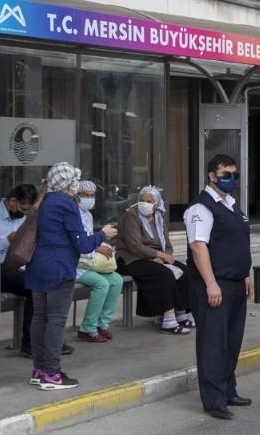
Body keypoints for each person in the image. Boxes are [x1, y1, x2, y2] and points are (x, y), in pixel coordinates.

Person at [26, 162, 116, 391]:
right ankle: (51, 373)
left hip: (39, 265)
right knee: (56, 321)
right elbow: (83, 244)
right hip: (59, 267)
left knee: (40, 318)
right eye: (75, 179)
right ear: (68, 183)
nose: (77, 183)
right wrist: (103, 234)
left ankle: (40, 369)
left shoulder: (46, 200)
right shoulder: (66, 203)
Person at [184, 154, 253, 420]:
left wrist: (244, 274)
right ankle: (214, 400)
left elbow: (236, 243)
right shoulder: (201, 208)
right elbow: (198, 246)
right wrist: (211, 283)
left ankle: (227, 390)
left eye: (235, 175)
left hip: (235, 283)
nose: (231, 179)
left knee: (231, 342)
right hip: (214, 285)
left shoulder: (232, 205)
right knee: (213, 344)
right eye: (226, 175)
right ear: (212, 176)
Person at [115, 185, 194, 334]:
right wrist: (159, 256)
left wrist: (163, 257)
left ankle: (181, 313)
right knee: (164, 274)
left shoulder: (159, 217)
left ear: (156, 203)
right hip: (130, 258)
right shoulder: (131, 215)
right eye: (142, 200)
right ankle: (168, 321)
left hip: (154, 257)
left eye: (149, 201)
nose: (144, 204)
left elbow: (167, 245)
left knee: (184, 271)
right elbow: (134, 246)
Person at [0, 183, 67, 357]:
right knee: (33, 287)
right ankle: (29, 343)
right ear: (12, 201)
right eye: (23, 208)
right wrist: (8, 240)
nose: (24, 213)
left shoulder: (20, 217)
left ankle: (51, 338)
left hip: (18, 265)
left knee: (48, 281)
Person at [74, 180, 125, 343]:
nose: (90, 199)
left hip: (89, 261)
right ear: (77, 196)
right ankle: (87, 328)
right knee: (101, 284)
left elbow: (90, 237)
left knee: (116, 280)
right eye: (86, 195)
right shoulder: (73, 214)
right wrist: (97, 247)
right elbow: (79, 242)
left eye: (92, 195)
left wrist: (100, 245)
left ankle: (102, 323)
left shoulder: (88, 215)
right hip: (76, 264)